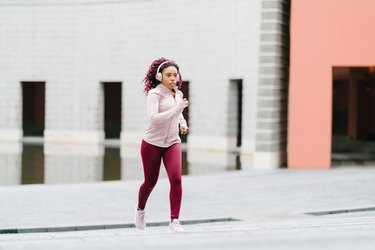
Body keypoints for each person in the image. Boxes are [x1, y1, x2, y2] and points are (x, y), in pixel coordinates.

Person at [134, 57, 189, 232]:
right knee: (150, 182)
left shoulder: (178, 94)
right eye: (169, 75)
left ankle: (174, 220)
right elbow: (154, 119)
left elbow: (178, 114)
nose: (173, 78)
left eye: (175, 75)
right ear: (160, 77)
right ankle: (140, 210)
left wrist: (183, 122)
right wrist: (177, 110)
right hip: (152, 143)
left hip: (173, 142)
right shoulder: (154, 94)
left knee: (176, 179)